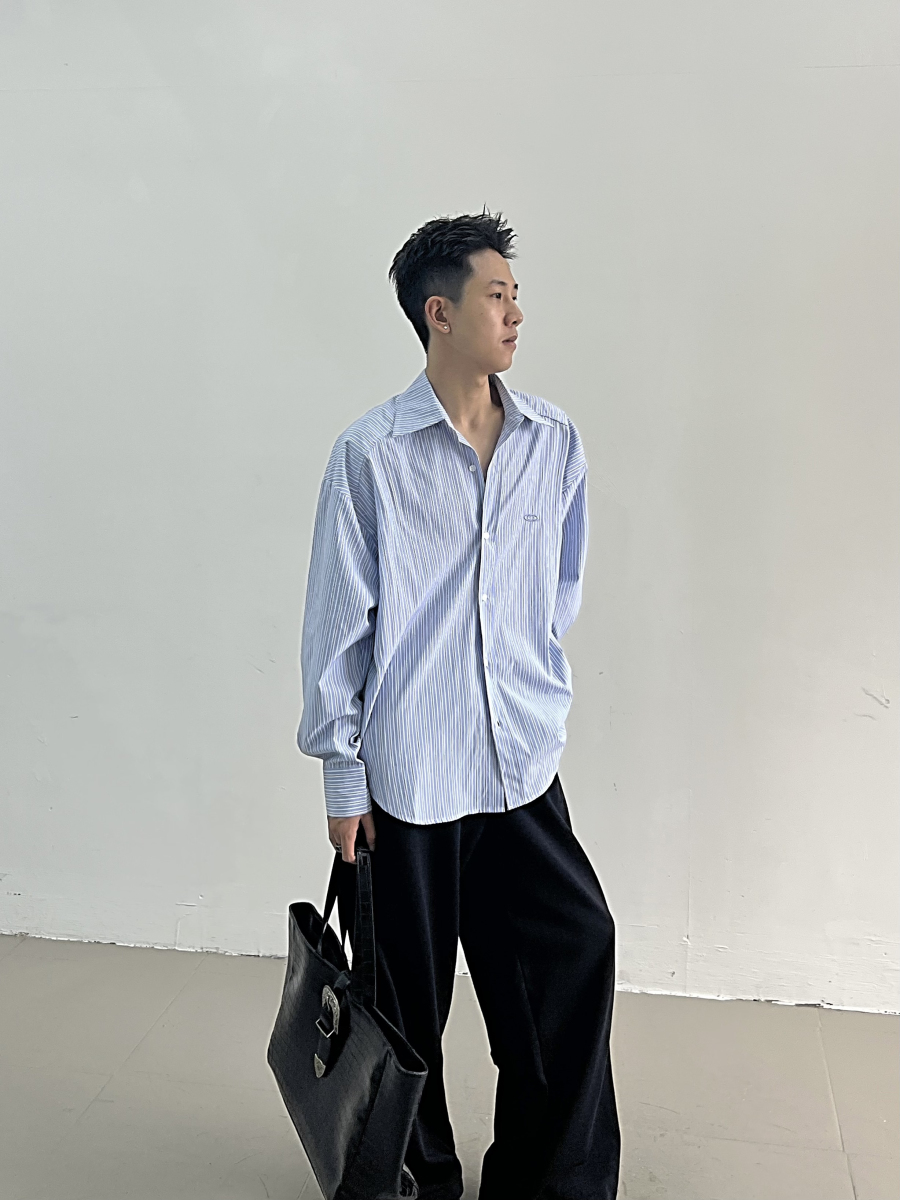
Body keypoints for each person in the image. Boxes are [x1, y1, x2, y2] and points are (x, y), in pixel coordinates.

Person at [297, 211, 619, 1200]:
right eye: (497, 295)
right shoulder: (371, 455)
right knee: (405, 1010)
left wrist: (532, 686)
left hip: (519, 766)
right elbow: (338, 624)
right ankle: (411, 1184)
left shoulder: (552, 441)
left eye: (517, 295)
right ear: (439, 314)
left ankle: (550, 1182)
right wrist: (343, 776)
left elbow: (559, 587)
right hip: (410, 777)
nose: (516, 313)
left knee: (575, 950)